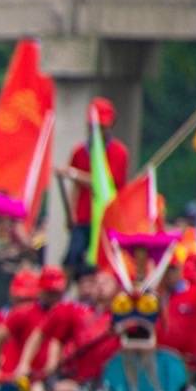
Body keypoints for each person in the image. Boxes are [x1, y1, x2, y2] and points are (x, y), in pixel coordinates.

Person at [58, 100, 130, 267]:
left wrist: (74, 174)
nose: (98, 131)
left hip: (108, 218)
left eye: (103, 127)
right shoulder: (79, 152)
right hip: (83, 217)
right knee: (72, 260)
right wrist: (70, 215)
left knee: (104, 263)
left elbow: (106, 184)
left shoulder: (119, 152)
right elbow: (75, 187)